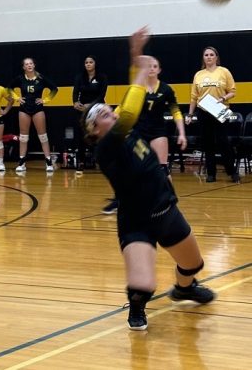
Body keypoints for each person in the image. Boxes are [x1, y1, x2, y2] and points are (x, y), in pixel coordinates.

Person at [82, 26, 215, 331]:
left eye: (109, 110)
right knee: (143, 286)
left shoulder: (130, 131)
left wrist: (135, 54)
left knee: (193, 265)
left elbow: (132, 105)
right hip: (137, 219)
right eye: (102, 114)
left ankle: (183, 289)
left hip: (165, 209)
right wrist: (140, 69)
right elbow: (129, 109)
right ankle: (137, 306)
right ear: (93, 131)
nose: (111, 114)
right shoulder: (106, 147)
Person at [102, 56, 187, 214]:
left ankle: (169, 199)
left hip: (157, 132)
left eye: (155, 66)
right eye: (149, 66)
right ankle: (120, 199)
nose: (152, 68)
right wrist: (113, 119)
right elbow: (122, 107)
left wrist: (182, 133)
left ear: (159, 70)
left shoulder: (166, 90)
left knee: (161, 169)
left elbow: (176, 112)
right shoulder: (137, 88)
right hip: (138, 132)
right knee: (128, 168)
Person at [185, 46, 239, 183]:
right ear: (203, 58)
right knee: (207, 143)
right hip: (203, 111)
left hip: (220, 109)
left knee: (223, 142)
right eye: (206, 55)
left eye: (211, 55)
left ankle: (231, 171)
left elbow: (233, 91)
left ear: (216, 57)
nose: (209, 57)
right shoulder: (198, 75)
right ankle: (211, 174)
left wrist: (223, 99)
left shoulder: (224, 72)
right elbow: (193, 97)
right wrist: (190, 115)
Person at [8, 57, 58, 172]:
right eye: (26, 64)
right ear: (23, 67)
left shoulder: (41, 78)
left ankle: (48, 161)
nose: (29, 65)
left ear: (34, 65)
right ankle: (21, 162)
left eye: (31, 63)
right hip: (24, 109)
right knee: (23, 137)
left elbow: (54, 89)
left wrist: (45, 100)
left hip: (37, 109)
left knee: (43, 136)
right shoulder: (20, 78)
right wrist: (17, 98)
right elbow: (9, 88)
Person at [72, 55, 108, 174]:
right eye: (86, 62)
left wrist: (91, 106)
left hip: (97, 109)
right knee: (82, 135)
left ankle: (100, 161)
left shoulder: (102, 77)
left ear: (95, 64)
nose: (88, 64)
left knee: (99, 136)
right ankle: (80, 162)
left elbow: (101, 95)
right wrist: (76, 102)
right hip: (82, 111)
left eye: (90, 62)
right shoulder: (80, 77)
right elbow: (75, 91)